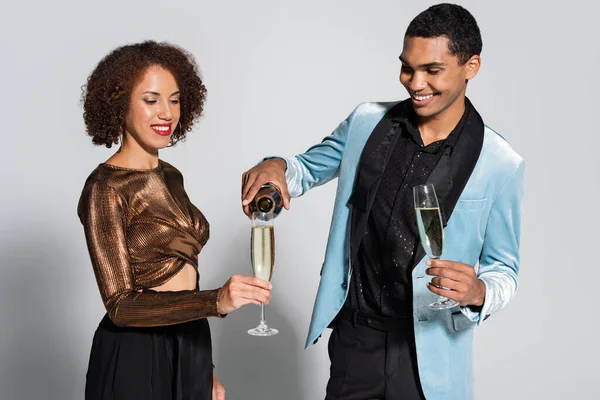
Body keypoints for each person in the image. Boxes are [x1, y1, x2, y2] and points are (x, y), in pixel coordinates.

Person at [241, 4, 524, 399]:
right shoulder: (365, 122)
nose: (415, 82)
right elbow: (303, 170)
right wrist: (274, 165)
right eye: (407, 67)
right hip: (356, 341)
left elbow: (505, 270)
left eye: (432, 70)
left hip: (432, 353)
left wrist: (480, 292)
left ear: (470, 66)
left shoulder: (501, 163)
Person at [79, 40, 272, 400]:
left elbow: (186, 275)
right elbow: (121, 306)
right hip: (136, 352)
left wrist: (205, 368)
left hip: (190, 340)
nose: (166, 113)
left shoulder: (171, 175)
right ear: (119, 103)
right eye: (151, 100)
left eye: (175, 99)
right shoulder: (104, 188)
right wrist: (215, 301)